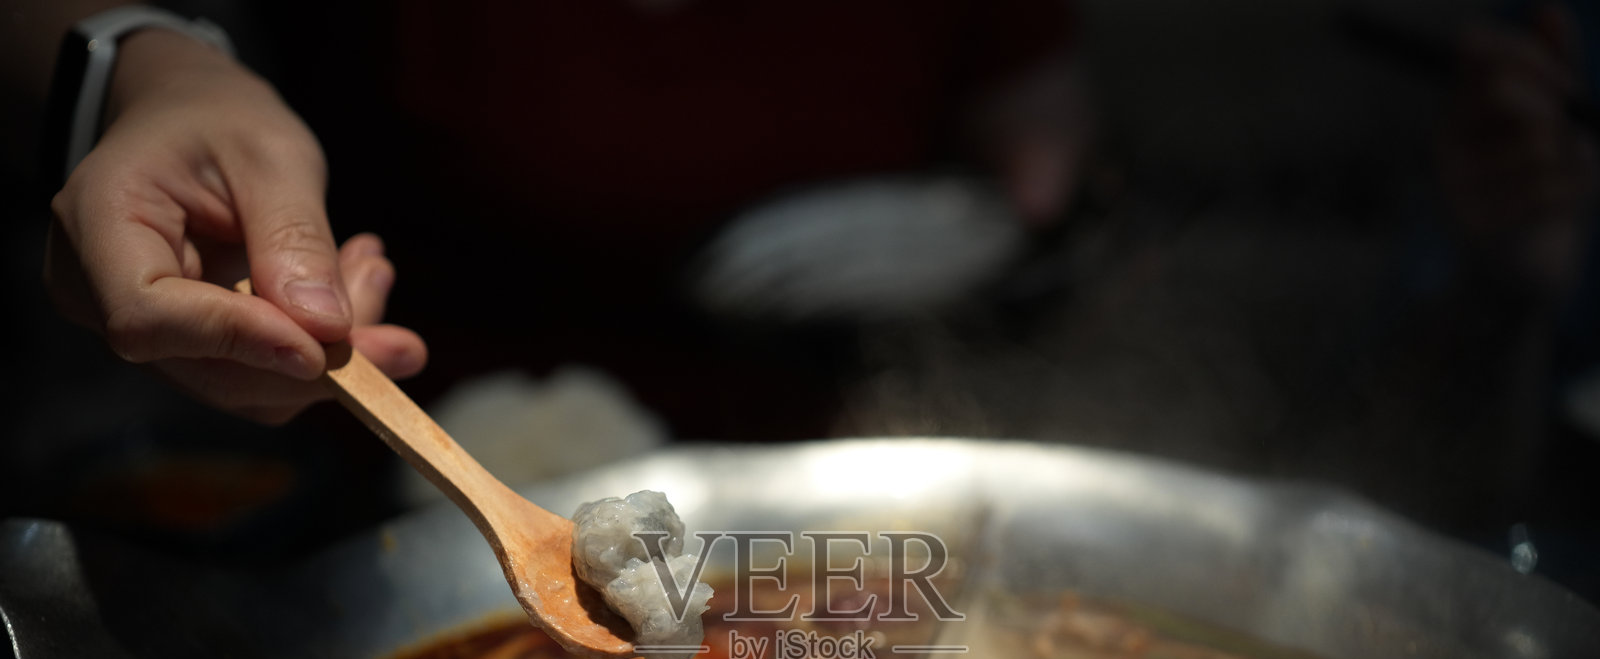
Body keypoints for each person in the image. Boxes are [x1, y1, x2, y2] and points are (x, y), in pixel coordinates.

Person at [14, 1, 1093, 431]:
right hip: (430, 449)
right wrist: (142, 67)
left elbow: (1035, 118)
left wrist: (1001, 227)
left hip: (833, 460)